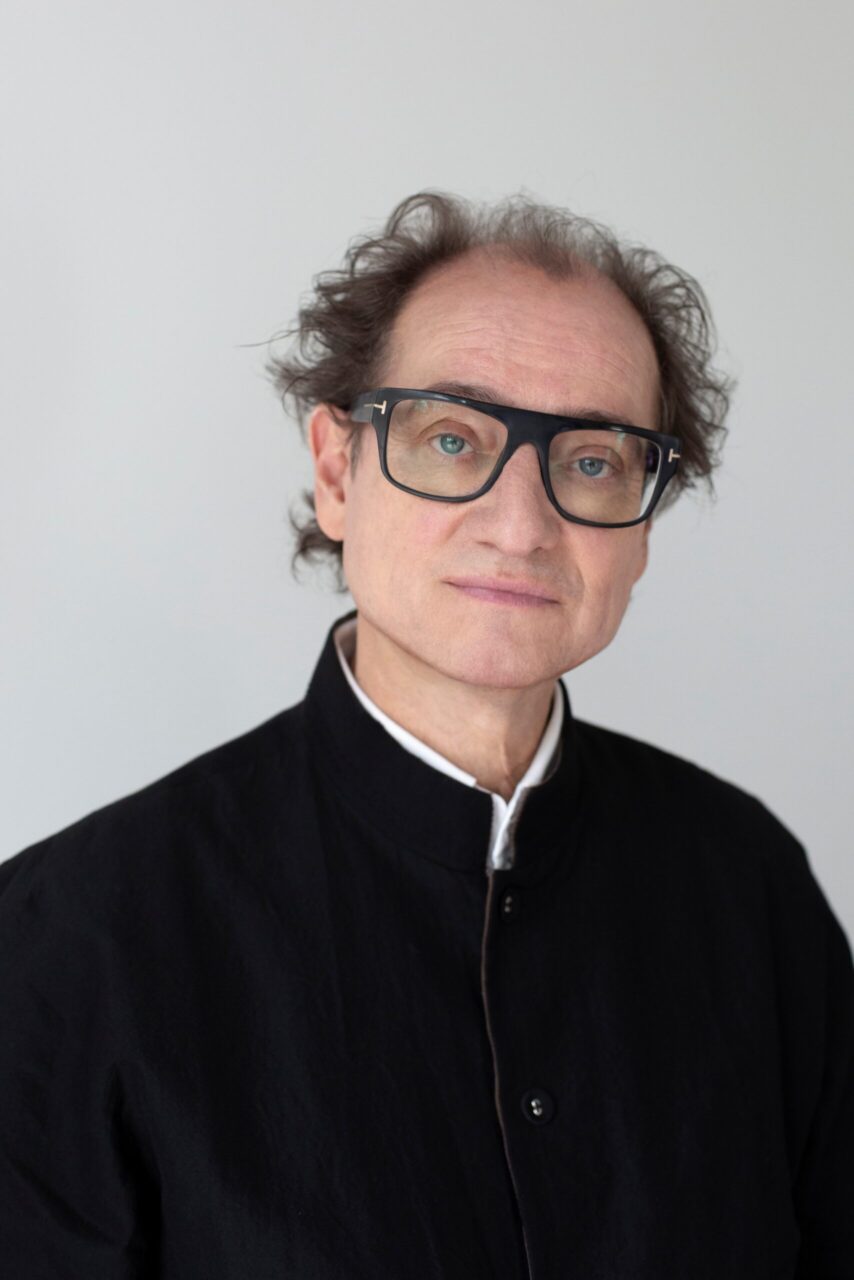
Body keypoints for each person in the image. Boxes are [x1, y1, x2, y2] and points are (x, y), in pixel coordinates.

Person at [1, 190, 851, 1280]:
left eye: (592, 459)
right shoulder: (73, 938)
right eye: (452, 438)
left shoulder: (748, 885)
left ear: (642, 524)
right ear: (337, 471)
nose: (519, 520)